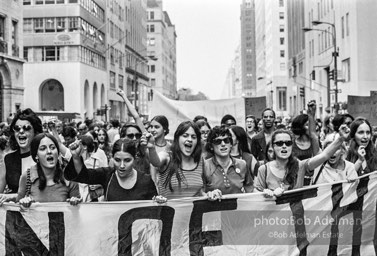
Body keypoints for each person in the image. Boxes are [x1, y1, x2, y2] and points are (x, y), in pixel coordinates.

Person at [255, 125, 349, 197]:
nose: (284, 146)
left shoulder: (300, 165)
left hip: (296, 218)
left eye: (288, 143)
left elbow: (324, 155)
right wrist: (265, 194)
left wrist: (340, 139)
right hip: (272, 219)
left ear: (292, 146)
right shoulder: (264, 169)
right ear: (273, 146)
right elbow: (254, 195)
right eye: (279, 143)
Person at [65, 138, 159, 201]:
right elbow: (83, 176)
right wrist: (76, 157)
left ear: (135, 158)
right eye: (117, 160)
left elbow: (155, 211)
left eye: (127, 160)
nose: (122, 166)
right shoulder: (107, 175)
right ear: (112, 158)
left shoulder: (146, 181)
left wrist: (159, 201)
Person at [17, 133, 81, 207]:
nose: (49, 152)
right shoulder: (27, 176)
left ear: (58, 152)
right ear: (36, 155)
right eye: (43, 149)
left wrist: (75, 202)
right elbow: (17, 209)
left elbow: (76, 214)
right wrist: (23, 202)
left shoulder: (70, 177)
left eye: (53, 148)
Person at [151, 121, 204, 199]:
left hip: (194, 211)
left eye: (193, 137)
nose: (190, 139)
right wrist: (151, 148)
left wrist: (211, 194)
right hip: (169, 211)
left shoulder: (200, 161)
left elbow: (199, 192)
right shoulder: (167, 156)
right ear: (177, 138)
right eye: (185, 136)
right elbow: (156, 162)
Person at [0, 108, 43, 204]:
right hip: (14, 216)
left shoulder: (44, 157)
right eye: (17, 128)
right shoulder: (8, 160)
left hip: (40, 215)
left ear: (35, 132)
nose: (21, 131)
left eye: (27, 128)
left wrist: (11, 196)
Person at [203, 126, 253, 200]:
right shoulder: (205, 166)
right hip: (214, 209)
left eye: (226, 140)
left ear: (231, 144)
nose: (223, 144)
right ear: (211, 146)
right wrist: (208, 195)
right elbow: (199, 193)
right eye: (218, 141)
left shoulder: (242, 164)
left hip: (238, 209)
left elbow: (251, 191)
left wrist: (266, 192)